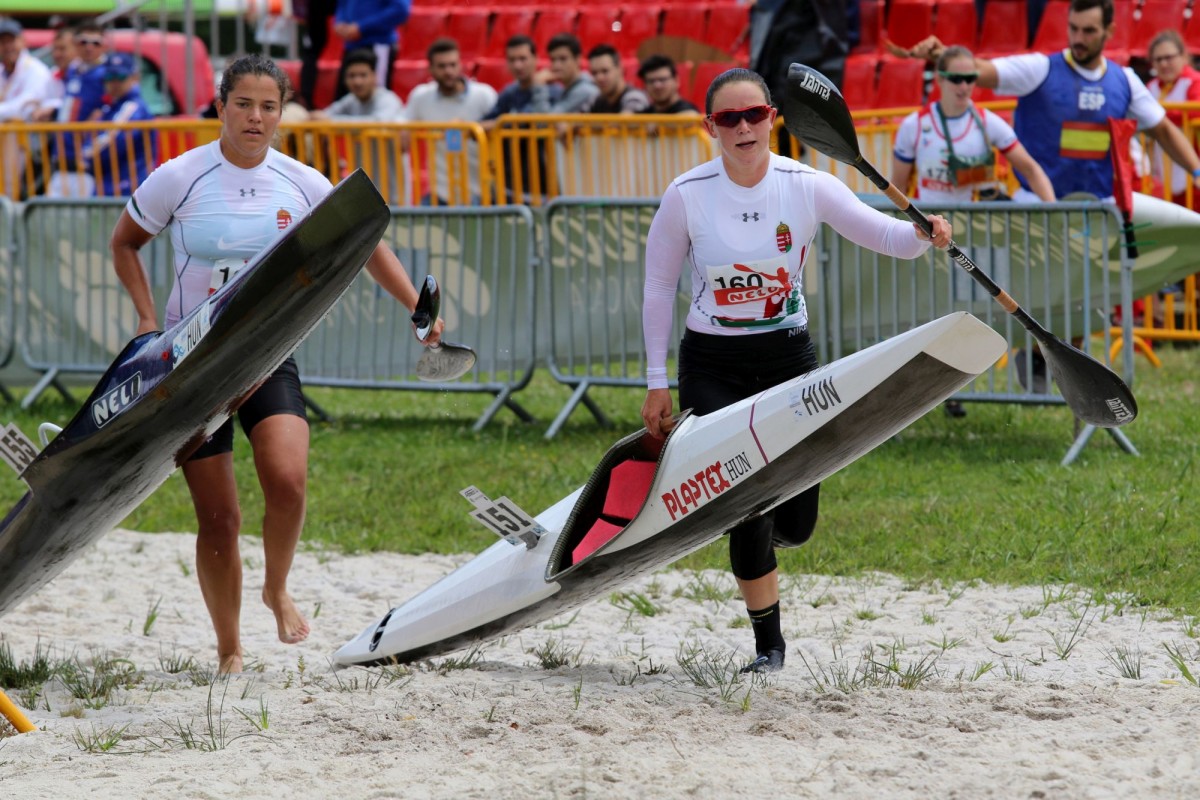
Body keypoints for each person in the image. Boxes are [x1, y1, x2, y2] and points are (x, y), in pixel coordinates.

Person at [109, 54, 443, 674]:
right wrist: (147, 320)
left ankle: (277, 587)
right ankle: (229, 648)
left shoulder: (302, 181)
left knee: (287, 481)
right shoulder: (179, 176)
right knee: (220, 517)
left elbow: (368, 242)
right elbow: (125, 243)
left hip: (267, 355)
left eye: (269, 107)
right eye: (243, 104)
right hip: (192, 367)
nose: (256, 118)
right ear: (220, 106)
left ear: (282, 113)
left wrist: (415, 309)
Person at [640, 68, 951, 673]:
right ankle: (769, 647)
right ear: (710, 127)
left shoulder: (807, 185)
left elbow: (887, 237)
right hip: (713, 364)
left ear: (773, 118)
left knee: (797, 522)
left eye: (753, 114)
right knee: (749, 502)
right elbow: (657, 287)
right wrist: (656, 382)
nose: (743, 127)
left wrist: (924, 234)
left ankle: (750, 530)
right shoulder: (686, 194)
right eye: (729, 118)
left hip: (788, 360)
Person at [909, 0, 1200, 202]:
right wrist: (944, 55)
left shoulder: (1124, 81)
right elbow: (981, 71)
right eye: (1073, 28)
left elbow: (1164, 130)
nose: (1078, 38)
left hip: (1098, 208)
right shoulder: (1040, 69)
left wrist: (1197, 172)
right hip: (1038, 207)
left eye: (1089, 31)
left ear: (1109, 32)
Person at [892, 46, 1056, 204]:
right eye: (956, 79)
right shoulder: (913, 125)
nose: (964, 86)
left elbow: (1031, 170)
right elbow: (899, 187)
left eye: (970, 78)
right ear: (939, 78)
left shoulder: (988, 122)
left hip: (970, 221)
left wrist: (1054, 213)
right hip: (928, 220)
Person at [404, 37, 498, 205]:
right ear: (431, 69)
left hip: (480, 192)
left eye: (453, 65)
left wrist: (473, 129)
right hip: (439, 193)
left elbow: (501, 126)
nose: (448, 71)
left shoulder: (484, 95)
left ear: (461, 65)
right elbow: (402, 129)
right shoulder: (420, 96)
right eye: (442, 66)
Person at [83, 52, 156, 197]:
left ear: (134, 78)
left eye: (121, 77)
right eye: (109, 77)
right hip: (109, 185)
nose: (114, 83)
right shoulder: (109, 107)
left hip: (127, 187)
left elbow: (113, 142)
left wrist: (86, 155)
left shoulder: (133, 107)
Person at [1144, 30, 1200, 205]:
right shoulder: (1151, 87)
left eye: (1169, 57)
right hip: (1165, 177)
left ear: (1183, 56)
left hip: (1194, 177)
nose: (1164, 64)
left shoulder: (1193, 82)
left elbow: (1194, 113)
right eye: (1158, 59)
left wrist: (1157, 117)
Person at [0, 17, 52, 198]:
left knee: (10, 190)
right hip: (8, 143)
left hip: (32, 145)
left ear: (22, 41)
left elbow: (23, 107)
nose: (7, 47)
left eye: (11, 41)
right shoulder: (3, 70)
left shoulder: (36, 70)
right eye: (2, 42)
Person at [332, 0, 411, 100]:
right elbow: (342, 5)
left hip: (378, 43)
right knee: (345, 97)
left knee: (377, 95)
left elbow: (400, 10)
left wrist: (362, 27)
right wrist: (340, 21)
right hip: (351, 45)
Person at [481, 35, 560, 126]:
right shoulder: (510, 91)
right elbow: (488, 119)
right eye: (512, 60)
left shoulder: (553, 91)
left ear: (535, 58)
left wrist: (496, 124)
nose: (517, 66)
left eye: (523, 59)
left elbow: (535, 121)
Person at [308, 47, 404, 121]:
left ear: (374, 76)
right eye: (352, 76)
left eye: (363, 75)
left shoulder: (388, 100)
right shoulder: (351, 100)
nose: (357, 82)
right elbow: (325, 115)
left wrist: (331, 120)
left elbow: (379, 123)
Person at [530, 33, 599, 114]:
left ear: (577, 59)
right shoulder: (567, 88)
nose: (556, 65)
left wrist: (539, 85)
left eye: (563, 59)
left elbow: (546, 120)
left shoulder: (585, 90)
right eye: (553, 60)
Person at [586, 44, 648, 114]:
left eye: (605, 71)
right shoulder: (595, 100)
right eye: (594, 73)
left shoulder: (635, 98)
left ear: (620, 68)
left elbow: (626, 119)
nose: (599, 78)